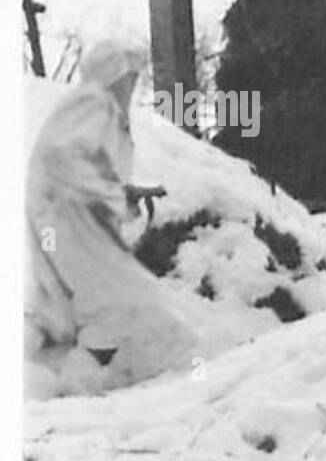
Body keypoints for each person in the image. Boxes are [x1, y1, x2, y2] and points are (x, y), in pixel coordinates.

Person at [25, 42, 198, 388]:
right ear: (113, 73)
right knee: (113, 302)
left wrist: (123, 194)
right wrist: (116, 193)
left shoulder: (104, 111)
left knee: (78, 304)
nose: (132, 86)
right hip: (68, 224)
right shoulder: (95, 102)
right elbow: (63, 156)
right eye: (129, 77)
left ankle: (57, 381)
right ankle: (76, 384)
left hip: (68, 223)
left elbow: (83, 164)